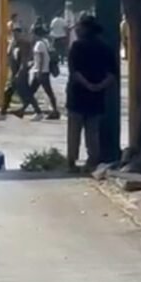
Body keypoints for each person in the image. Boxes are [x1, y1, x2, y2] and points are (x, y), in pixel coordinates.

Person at [66, 15, 116, 172]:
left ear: (85, 29)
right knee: (92, 131)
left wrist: (87, 84)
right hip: (97, 95)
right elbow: (112, 74)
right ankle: (92, 160)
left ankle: (71, 162)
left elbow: (75, 71)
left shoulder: (77, 47)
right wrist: (99, 86)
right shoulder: (105, 48)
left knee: (74, 130)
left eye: (79, 27)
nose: (77, 30)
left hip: (77, 94)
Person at [0, 26, 41, 120]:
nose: (15, 36)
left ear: (21, 34)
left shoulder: (25, 44)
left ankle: (38, 112)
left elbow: (25, 61)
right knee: (8, 92)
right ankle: (3, 113)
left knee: (26, 94)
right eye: (14, 34)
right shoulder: (14, 44)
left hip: (21, 74)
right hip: (15, 73)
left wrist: (19, 73)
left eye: (17, 34)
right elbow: (10, 57)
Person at [19, 25, 60, 120]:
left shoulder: (39, 44)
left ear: (35, 34)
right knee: (31, 92)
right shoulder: (44, 42)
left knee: (47, 92)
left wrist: (40, 72)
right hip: (41, 71)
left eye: (32, 33)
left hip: (41, 73)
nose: (31, 35)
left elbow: (41, 59)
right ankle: (23, 110)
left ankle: (54, 111)